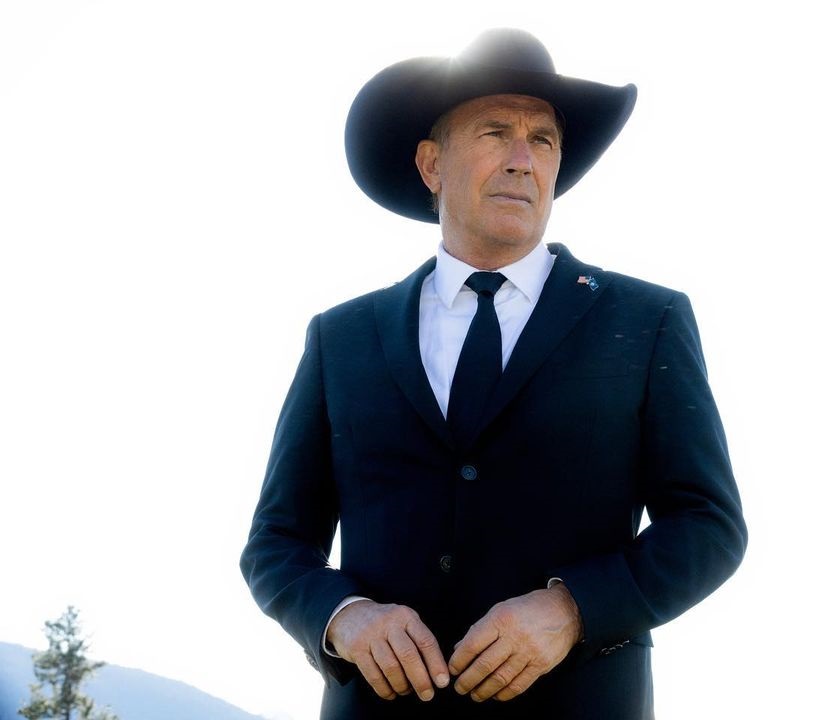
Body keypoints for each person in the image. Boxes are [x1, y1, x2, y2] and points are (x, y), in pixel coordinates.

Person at [240, 28, 747, 720]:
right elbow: (275, 544)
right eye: (496, 133)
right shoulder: (341, 338)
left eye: (543, 140)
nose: (522, 160)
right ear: (431, 164)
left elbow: (709, 525)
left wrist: (573, 609)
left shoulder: (647, 319)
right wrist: (345, 617)